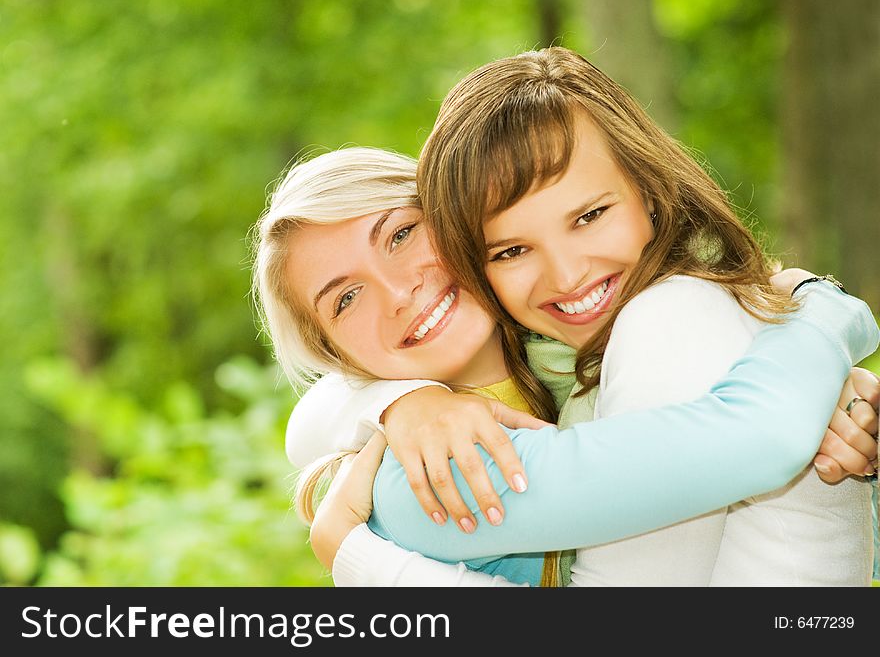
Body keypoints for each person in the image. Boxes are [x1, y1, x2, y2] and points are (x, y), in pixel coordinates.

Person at [252, 143, 879, 586]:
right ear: (336, 356)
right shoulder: (407, 474)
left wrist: (818, 390)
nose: (397, 291)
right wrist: (816, 315)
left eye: (400, 234)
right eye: (347, 298)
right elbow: (757, 437)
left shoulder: (574, 349)